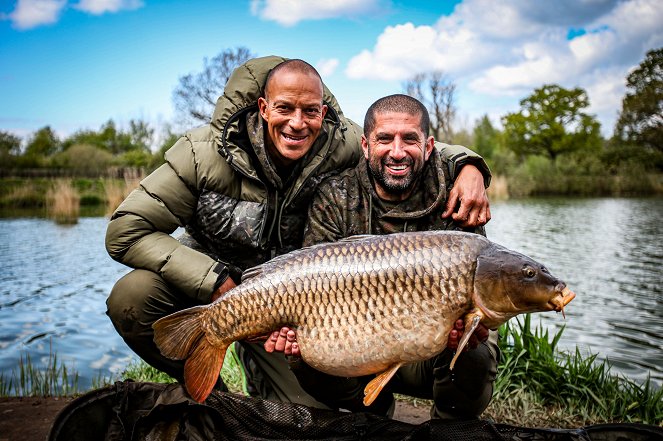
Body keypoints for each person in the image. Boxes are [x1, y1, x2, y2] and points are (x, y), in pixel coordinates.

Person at [105, 56, 492, 408]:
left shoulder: (341, 142)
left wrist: (471, 166)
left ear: (322, 112)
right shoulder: (199, 154)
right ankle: (218, 403)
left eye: (310, 111)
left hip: (292, 302)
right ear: (263, 107)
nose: (297, 122)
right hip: (213, 289)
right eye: (284, 108)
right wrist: (214, 281)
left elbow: (400, 140)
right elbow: (124, 230)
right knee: (132, 297)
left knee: (309, 418)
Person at [268, 94, 499, 420]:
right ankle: (374, 412)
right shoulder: (336, 195)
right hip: (356, 343)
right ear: (365, 145)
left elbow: (483, 277)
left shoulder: (456, 192)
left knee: (475, 352)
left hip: (434, 344)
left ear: (429, 146)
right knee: (303, 352)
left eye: (410, 140)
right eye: (385, 139)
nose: (397, 151)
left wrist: (474, 323)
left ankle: (449, 427)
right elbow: (309, 279)